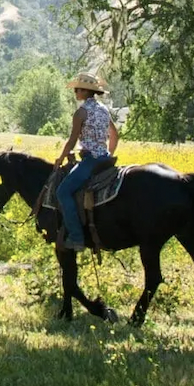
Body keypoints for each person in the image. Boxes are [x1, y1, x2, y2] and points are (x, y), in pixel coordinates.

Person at [51, 72, 118, 251]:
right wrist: (109, 154)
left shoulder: (81, 113)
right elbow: (114, 135)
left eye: (77, 89)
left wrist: (61, 158)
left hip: (90, 161)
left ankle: (76, 238)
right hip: (104, 159)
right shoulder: (104, 110)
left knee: (63, 192)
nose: (75, 92)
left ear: (86, 91)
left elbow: (72, 140)